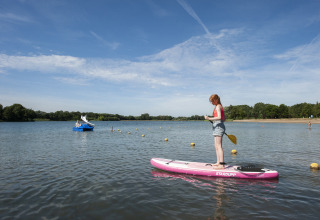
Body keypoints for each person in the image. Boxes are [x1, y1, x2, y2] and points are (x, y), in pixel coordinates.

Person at [204, 94, 226, 169]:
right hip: (217, 126)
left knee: (219, 146)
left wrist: (209, 118)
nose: (211, 103)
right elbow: (224, 118)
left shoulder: (218, 106)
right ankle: (218, 162)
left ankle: (221, 165)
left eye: (212, 101)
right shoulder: (219, 107)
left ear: (216, 100)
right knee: (216, 146)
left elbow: (219, 117)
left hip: (218, 127)